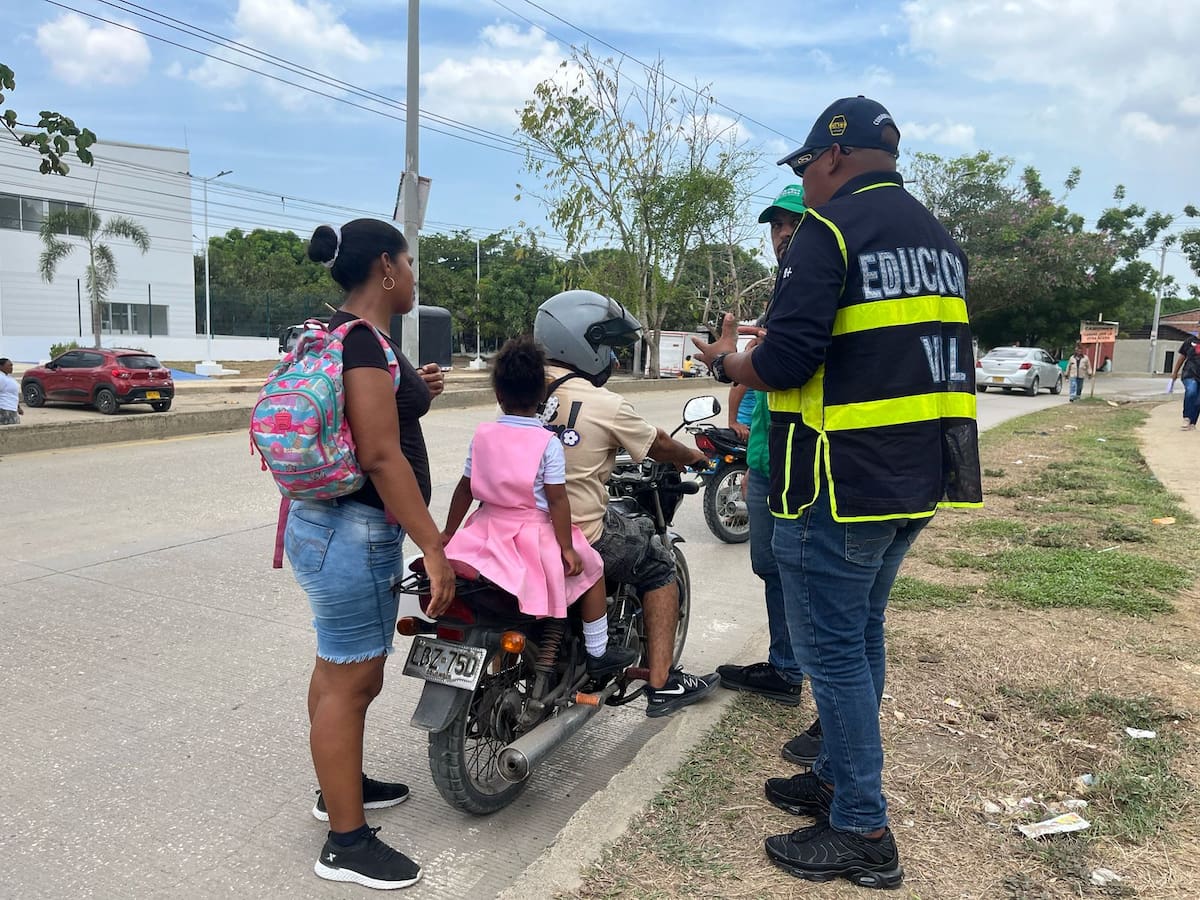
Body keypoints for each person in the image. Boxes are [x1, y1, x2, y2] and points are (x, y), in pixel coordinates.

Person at [693, 96, 982, 889]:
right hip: (916, 477)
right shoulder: (938, 239)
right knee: (862, 635)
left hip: (837, 481)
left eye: (805, 169)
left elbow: (785, 362)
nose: (805, 187)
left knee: (834, 654)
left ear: (833, 158)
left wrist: (725, 364)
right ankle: (834, 778)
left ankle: (861, 826)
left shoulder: (828, 232)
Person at [287, 218, 456, 890]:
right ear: (386, 268)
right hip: (351, 532)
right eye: (411, 263)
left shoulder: (348, 336)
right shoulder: (361, 344)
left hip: (328, 525)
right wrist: (435, 548)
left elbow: (383, 428)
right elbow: (383, 456)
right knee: (352, 681)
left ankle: (340, 789)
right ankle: (346, 845)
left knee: (338, 672)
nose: (415, 276)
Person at [533, 290, 721, 717]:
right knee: (657, 562)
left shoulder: (517, 386)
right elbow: (657, 443)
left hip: (515, 530)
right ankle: (662, 683)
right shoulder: (603, 402)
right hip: (575, 532)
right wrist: (692, 455)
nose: (612, 359)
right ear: (584, 342)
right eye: (607, 347)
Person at [440, 335, 639, 677]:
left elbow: (465, 488)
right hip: (532, 533)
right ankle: (597, 652)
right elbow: (558, 500)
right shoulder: (547, 442)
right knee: (592, 569)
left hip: (485, 528)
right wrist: (567, 548)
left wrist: (449, 531)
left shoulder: (483, 434)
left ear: (498, 395)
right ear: (543, 396)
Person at [716, 187, 823, 768]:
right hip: (766, 458)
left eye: (792, 223)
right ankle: (785, 667)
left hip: (804, 464)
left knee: (805, 575)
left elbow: (777, 365)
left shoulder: (816, 285)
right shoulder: (784, 291)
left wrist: (730, 357)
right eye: (776, 226)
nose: (782, 234)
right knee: (772, 567)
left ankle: (812, 693)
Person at [1169, 333, 1200, 430]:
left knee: (1198, 400)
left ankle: (1192, 423)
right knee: (1191, 391)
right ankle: (1186, 418)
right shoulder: (1189, 341)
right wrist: (1175, 372)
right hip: (1189, 373)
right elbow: (1181, 357)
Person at [0, 358, 23, 425]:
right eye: (9, 365)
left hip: (12, 409)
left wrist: (18, 408)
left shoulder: (8, 377)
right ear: (1, 366)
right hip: (4, 409)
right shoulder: (1, 378)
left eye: (12, 365)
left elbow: (13, 394)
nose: (11, 367)